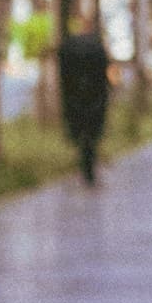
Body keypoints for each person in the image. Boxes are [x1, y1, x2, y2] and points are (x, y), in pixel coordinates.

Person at [56, 27, 111, 186]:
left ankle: (85, 161)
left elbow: (64, 83)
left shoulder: (69, 51)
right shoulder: (97, 50)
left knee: (80, 126)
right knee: (92, 129)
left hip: (75, 97)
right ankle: (88, 165)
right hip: (94, 97)